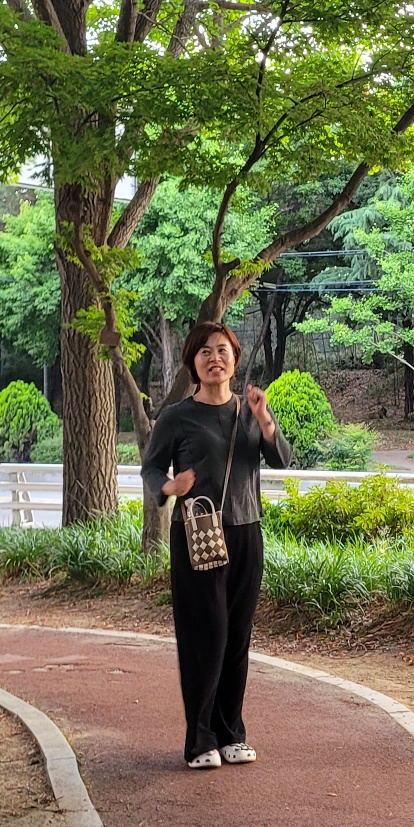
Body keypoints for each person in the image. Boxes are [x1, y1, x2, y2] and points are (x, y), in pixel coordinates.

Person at [142, 322, 291, 770]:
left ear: (235, 359)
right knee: (206, 635)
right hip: (197, 534)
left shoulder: (250, 412)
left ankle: (232, 734)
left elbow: (281, 458)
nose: (214, 358)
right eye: (204, 351)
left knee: (238, 636)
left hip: (246, 532)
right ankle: (200, 739)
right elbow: (151, 469)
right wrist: (169, 487)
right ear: (192, 362)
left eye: (222, 350)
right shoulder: (177, 417)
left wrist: (265, 418)